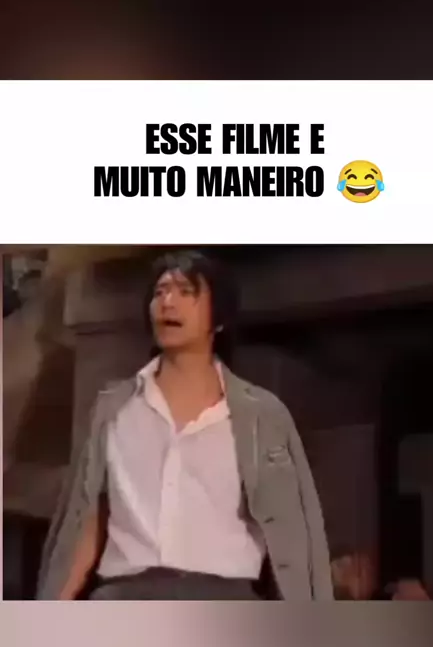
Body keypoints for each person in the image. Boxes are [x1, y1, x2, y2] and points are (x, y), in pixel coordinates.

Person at [37, 250, 333, 601]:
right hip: (125, 596)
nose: (168, 302)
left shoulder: (262, 416)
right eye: (160, 292)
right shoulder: (113, 409)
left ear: (218, 318)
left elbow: (294, 530)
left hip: (225, 599)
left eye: (185, 291)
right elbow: (88, 521)